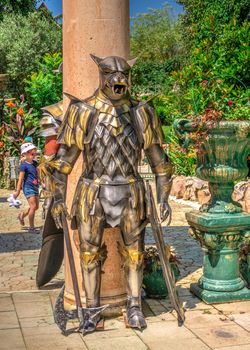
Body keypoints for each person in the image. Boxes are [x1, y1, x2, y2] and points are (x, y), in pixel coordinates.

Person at [14, 142, 39, 233]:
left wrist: (43, 183)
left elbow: (38, 174)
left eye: (34, 153)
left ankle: (22, 215)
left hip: (35, 186)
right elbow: (20, 179)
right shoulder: (24, 165)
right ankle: (31, 228)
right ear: (24, 154)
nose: (33, 154)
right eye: (31, 153)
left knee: (36, 207)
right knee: (33, 206)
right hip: (28, 188)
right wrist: (17, 192)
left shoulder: (35, 163)